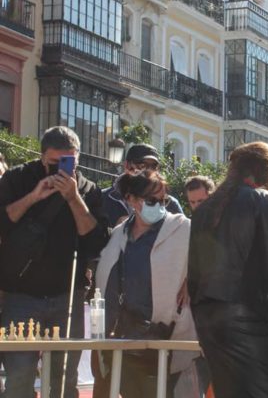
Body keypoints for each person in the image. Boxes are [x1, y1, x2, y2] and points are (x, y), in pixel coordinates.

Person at [188, 142, 268, 398]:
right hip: (248, 317)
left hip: (208, 318)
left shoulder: (204, 211)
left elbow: (194, 274)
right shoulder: (266, 201)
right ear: (267, 170)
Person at [0, 126, 108, 398]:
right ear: (41, 157)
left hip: (68, 295)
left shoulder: (88, 189)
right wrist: (33, 197)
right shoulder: (18, 178)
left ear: (78, 158)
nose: (62, 170)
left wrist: (73, 198)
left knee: (63, 379)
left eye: (69, 162)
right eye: (54, 163)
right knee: (19, 377)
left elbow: (95, 241)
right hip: (21, 294)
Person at [94, 170, 197, 398]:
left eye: (163, 200)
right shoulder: (120, 233)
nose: (159, 206)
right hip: (122, 336)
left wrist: (193, 280)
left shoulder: (183, 228)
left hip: (166, 337)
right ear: (131, 200)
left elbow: (213, 259)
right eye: (152, 200)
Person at [102, 143, 183, 228]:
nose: (149, 171)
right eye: (142, 165)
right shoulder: (103, 198)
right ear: (127, 166)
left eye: (154, 166)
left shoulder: (169, 203)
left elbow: (183, 236)